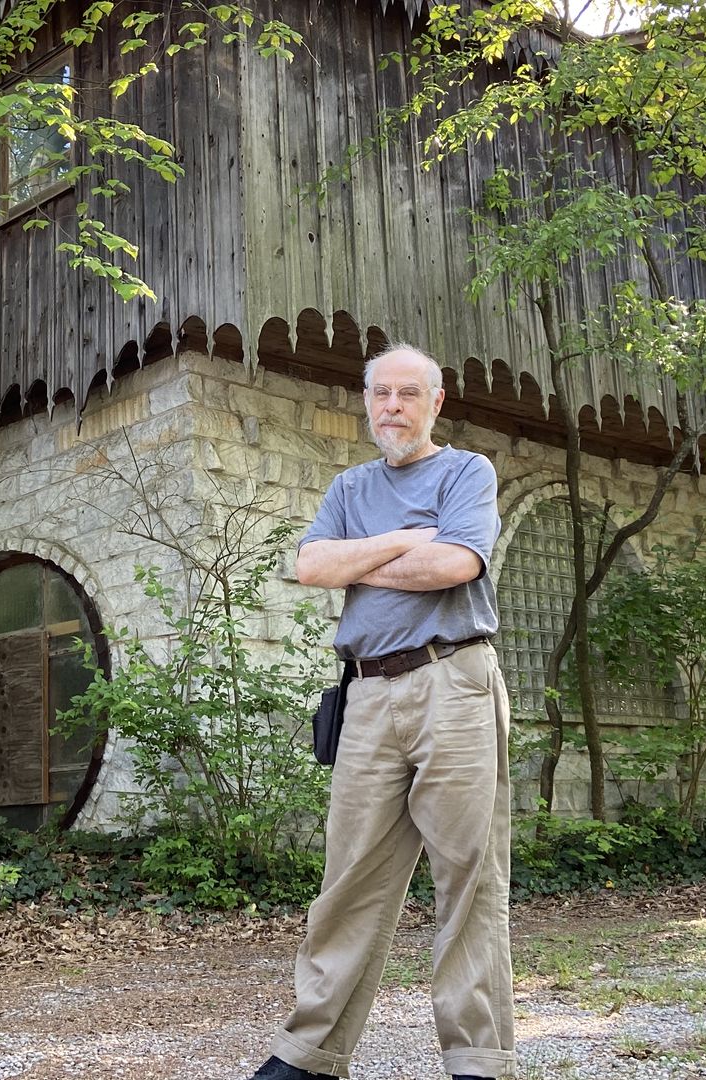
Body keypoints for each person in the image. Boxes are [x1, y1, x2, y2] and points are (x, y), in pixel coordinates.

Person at [250, 344, 515, 1080]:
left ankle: (478, 1061)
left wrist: (358, 560)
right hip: (366, 694)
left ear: (436, 402)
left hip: (452, 680)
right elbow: (310, 567)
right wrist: (403, 540)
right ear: (366, 402)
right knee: (349, 879)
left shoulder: (467, 472)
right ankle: (309, 1055)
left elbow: (457, 563)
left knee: (469, 875)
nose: (392, 406)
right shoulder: (349, 486)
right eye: (380, 394)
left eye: (407, 393)